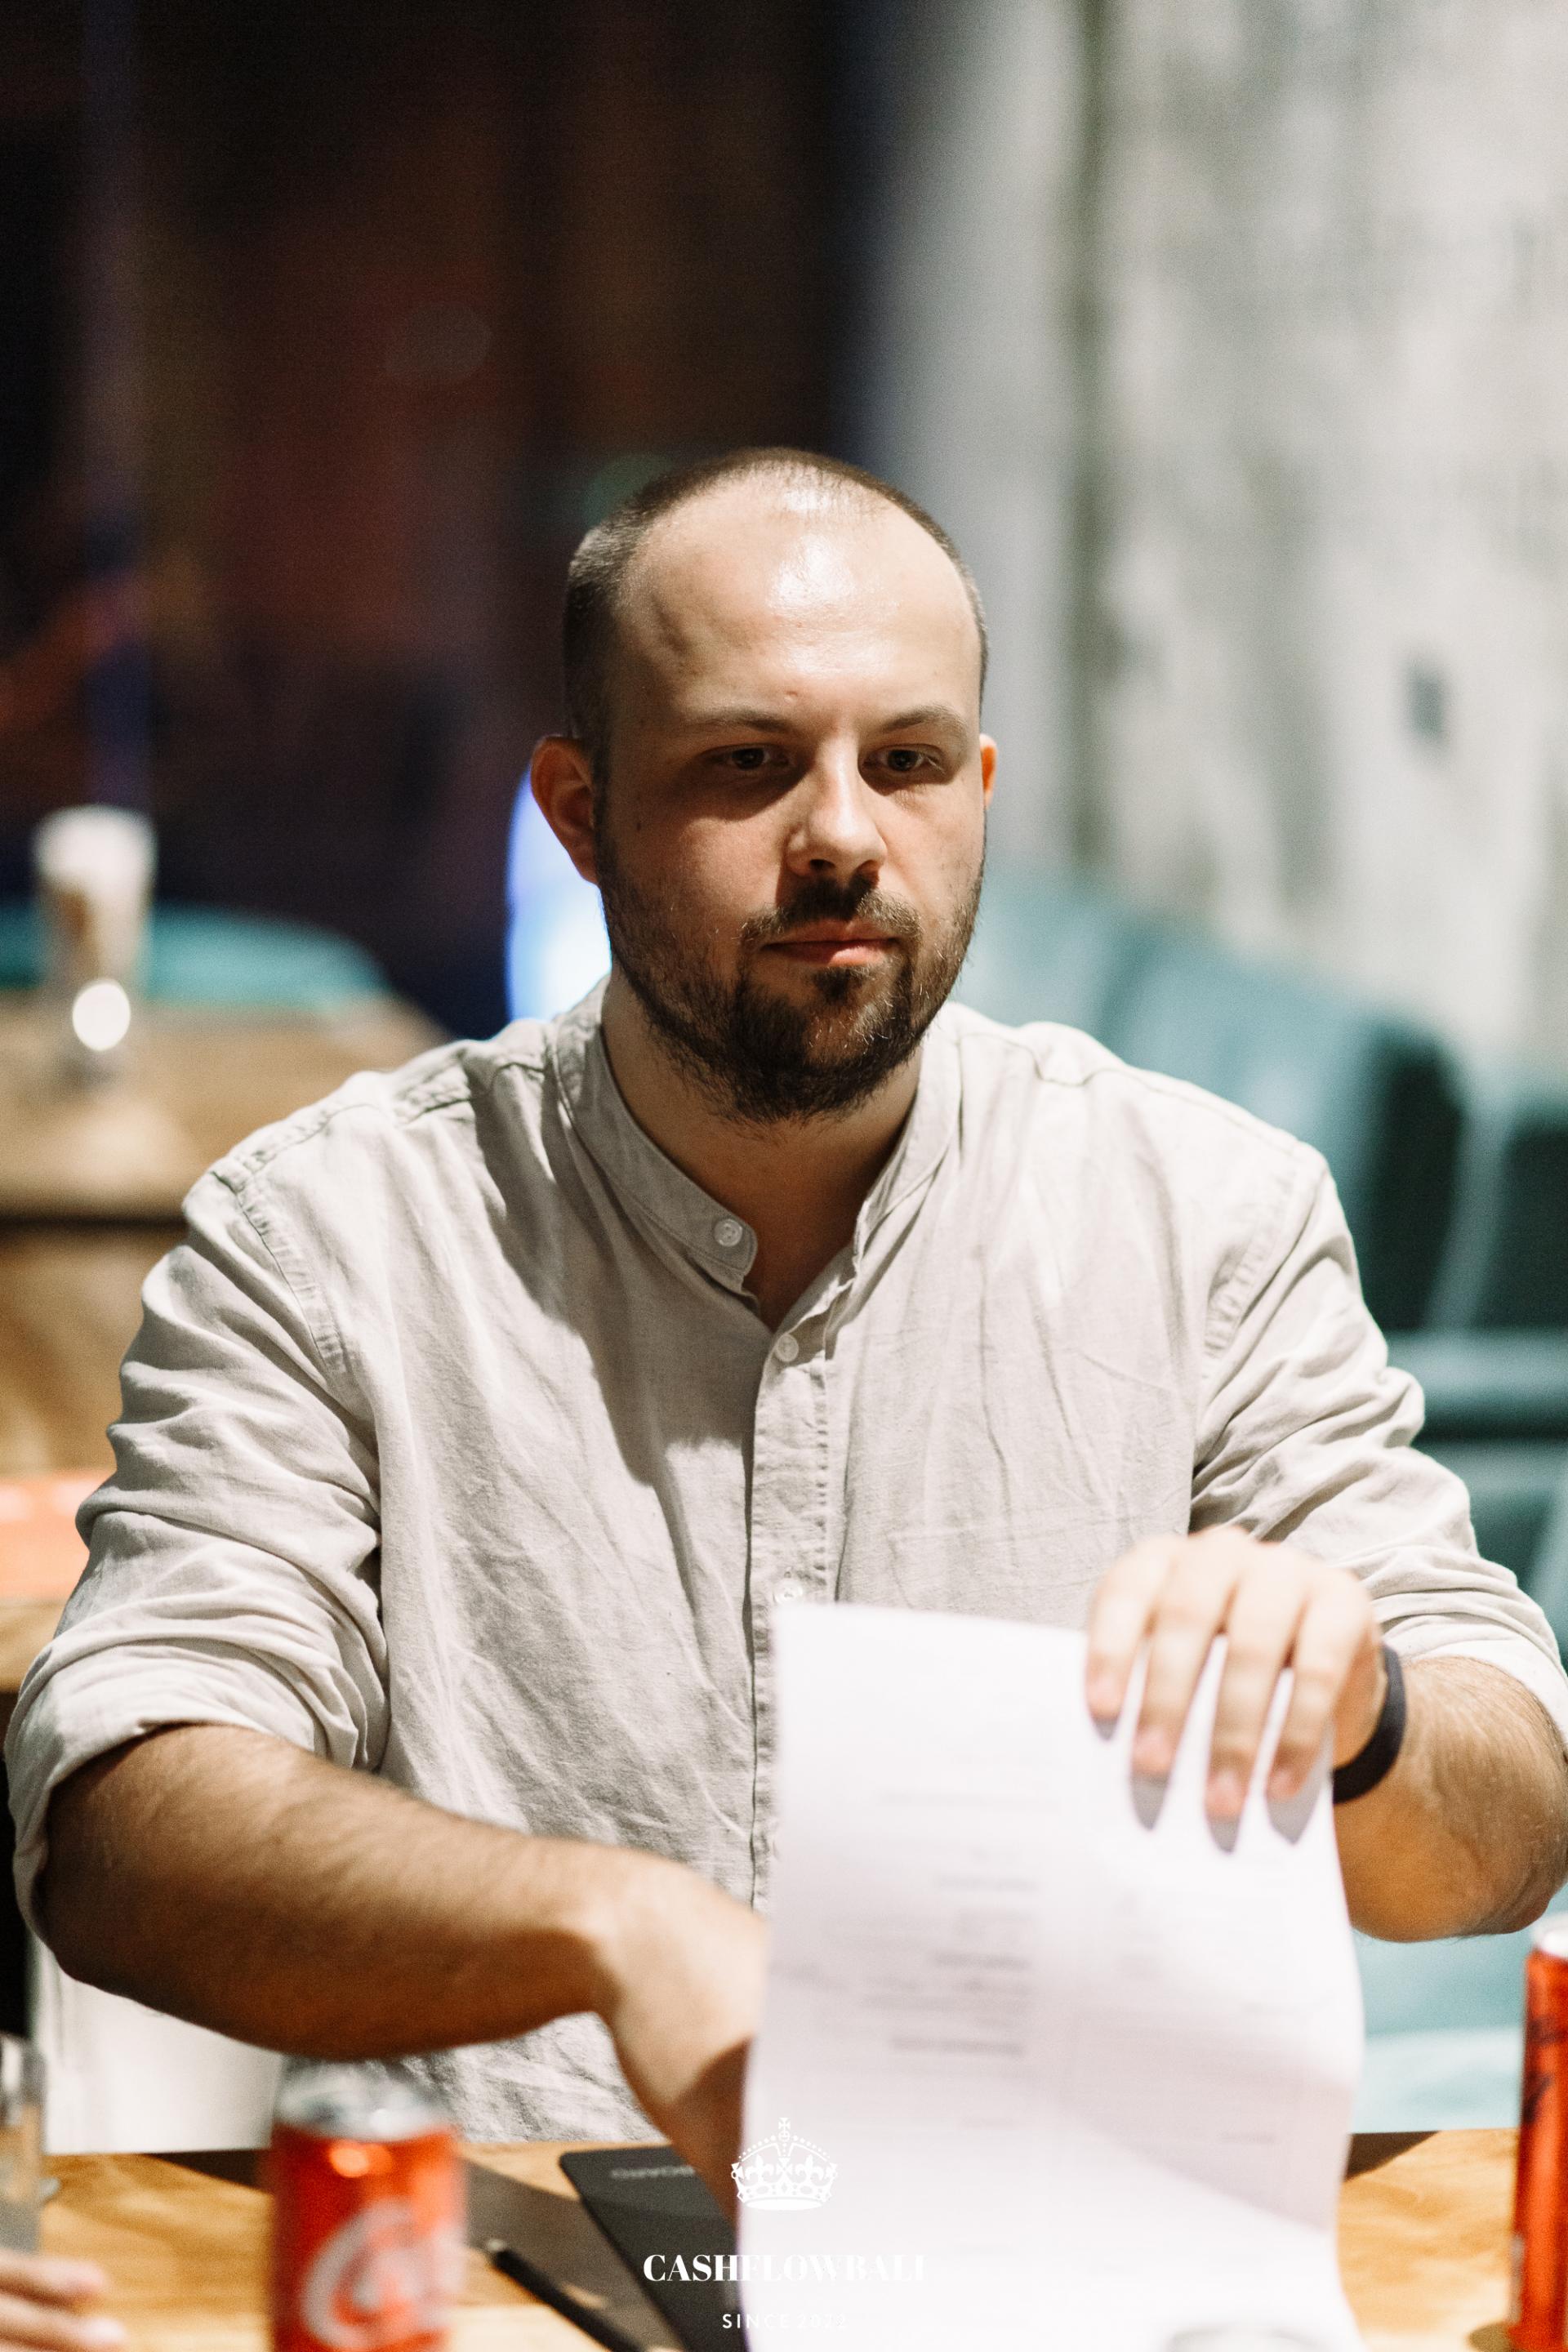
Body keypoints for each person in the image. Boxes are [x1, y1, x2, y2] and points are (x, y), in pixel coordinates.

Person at [10, 450, 1568, 2211]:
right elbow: (119, 1820)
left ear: (979, 789)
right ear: (580, 811)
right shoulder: (330, 1234)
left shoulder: (1210, 1218)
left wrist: (1362, 1715)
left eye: (908, 762)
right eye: (749, 763)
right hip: (499, 2254)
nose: (842, 835)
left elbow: (1508, 1826)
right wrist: (603, 1925)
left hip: (1075, 2253)